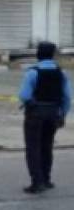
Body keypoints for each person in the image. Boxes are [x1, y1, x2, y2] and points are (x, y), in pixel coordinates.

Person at [18, 41, 71, 194]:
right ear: (53, 55)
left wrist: (31, 103)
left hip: (35, 115)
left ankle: (37, 182)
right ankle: (46, 179)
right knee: (47, 146)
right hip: (53, 113)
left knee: (33, 148)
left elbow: (24, 95)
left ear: (38, 54)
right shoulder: (61, 73)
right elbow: (67, 97)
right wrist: (63, 114)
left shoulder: (32, 72)